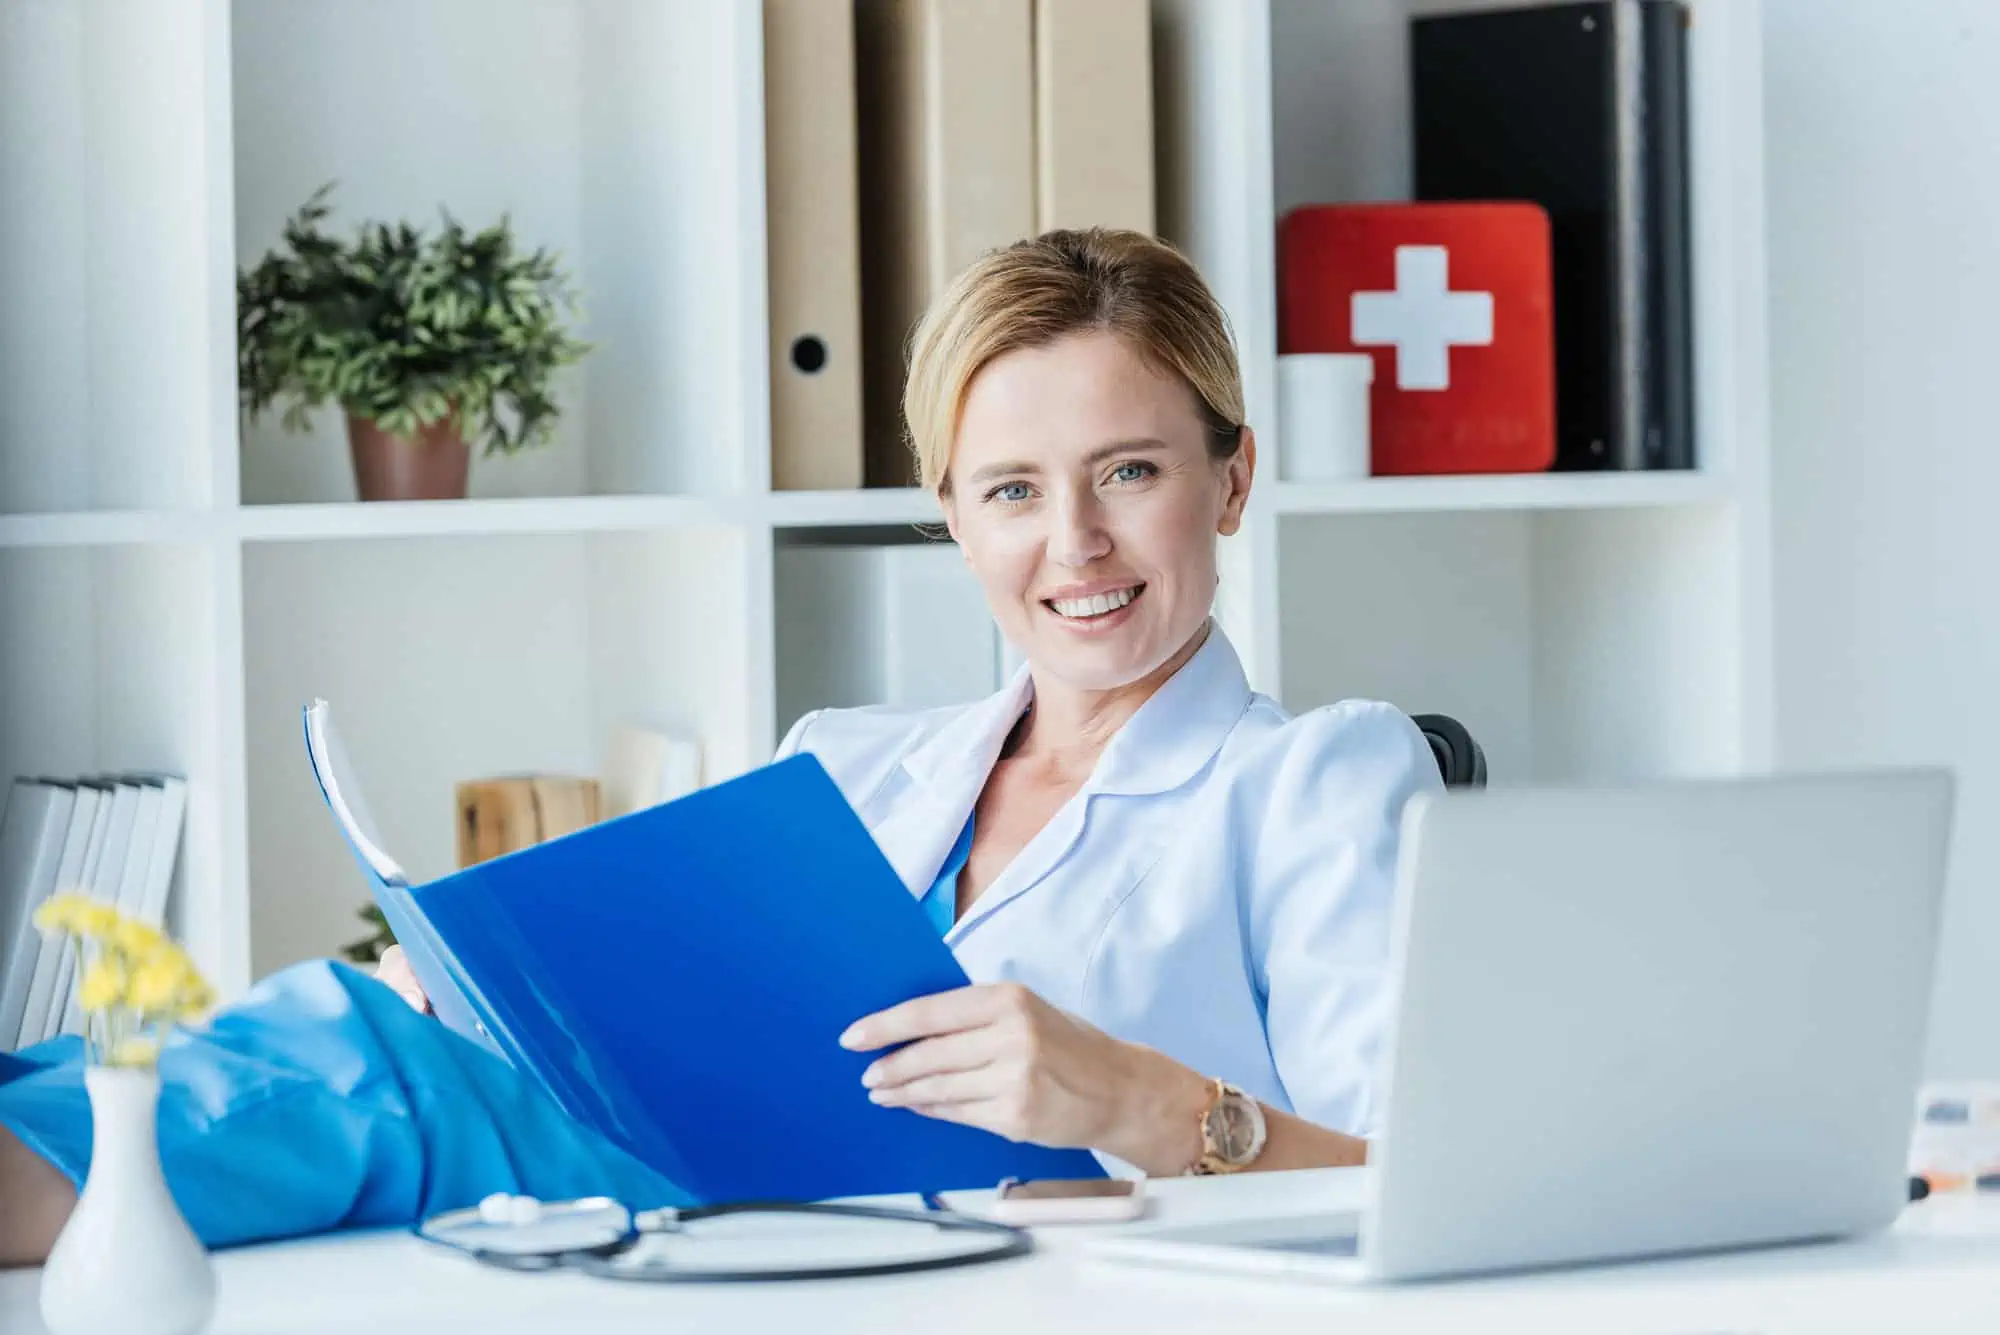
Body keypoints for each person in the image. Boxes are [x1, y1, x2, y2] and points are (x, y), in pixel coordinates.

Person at [0, 228, 1439, 1267]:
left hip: (989, 1258)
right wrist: (504, 984)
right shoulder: (854, 762)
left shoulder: (1320, 778)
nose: (1074, 544)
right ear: (954, 518)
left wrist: (1140, 1097)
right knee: (350, 1020)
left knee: (349, 1070)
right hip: (722, 1209)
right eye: (1012, 489)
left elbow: (1426, 1184)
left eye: (1129, 471)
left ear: (1231, 477)